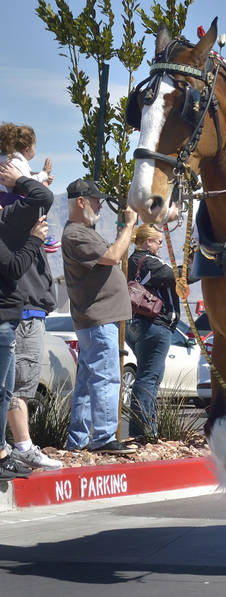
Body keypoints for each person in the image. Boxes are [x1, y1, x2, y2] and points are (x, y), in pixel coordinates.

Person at [62, 178, 138, 454]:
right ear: (81, 201)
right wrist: (129, 225)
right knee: (107, 377)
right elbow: (113, 256)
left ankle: (78, 440)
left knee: (86, 383)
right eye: (95, 201)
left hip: (95, 320)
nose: (100, 206)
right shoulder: (76, 235)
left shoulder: (84, 231)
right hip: (98, 320)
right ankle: (104, 438)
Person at [7, 158, 62, 471]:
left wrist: (35, 178)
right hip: (24, 311)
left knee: (20, 386)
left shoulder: (23, 215)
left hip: (31, 309)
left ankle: (21, 446)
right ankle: (22, 447)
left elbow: (41, 198)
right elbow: (41, 197)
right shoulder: (14, 214)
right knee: (19, 386)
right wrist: (28, 181)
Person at [0, 162, 51, 479]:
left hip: (7, 318)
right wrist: (34, 238)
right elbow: (15, 267)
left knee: (5, 392)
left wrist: (29, 179)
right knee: (3, 391)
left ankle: (4, 452)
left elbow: (41, 194)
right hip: (4, 320)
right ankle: (5, 452)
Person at [125, 224, 179, 440]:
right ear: (148, 241)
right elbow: (176, 275)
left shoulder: (133, 261)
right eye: (158, 242)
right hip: (154, 324)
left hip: (141, 324)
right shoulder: (147, 261)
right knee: (148, 379)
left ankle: (146, 429)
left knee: (149, 378)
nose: (160, 246)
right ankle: (143, 433)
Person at [0, 123, 59, 253]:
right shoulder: (17, 162)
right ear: (27, 149)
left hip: (4, 198)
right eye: (35, 147)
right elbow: (26, 183)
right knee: (36, 202)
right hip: (9, 198)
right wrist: (43, 174)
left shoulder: (5, 158)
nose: (35, 150)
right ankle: (39, 236)